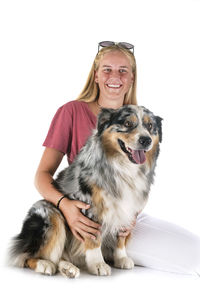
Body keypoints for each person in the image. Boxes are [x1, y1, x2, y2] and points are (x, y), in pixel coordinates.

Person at [35, 41, 200, 276]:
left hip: (126, 219)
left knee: (195, 251)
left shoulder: (142, 117)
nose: (115, 76)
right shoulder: (71, 111)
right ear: (96, 76)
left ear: (132, 78)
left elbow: (144, 176)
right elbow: (42, 176)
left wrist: (132, 215)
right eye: (107, 69)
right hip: (86, 214)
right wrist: (66, 207)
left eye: (123, 70)